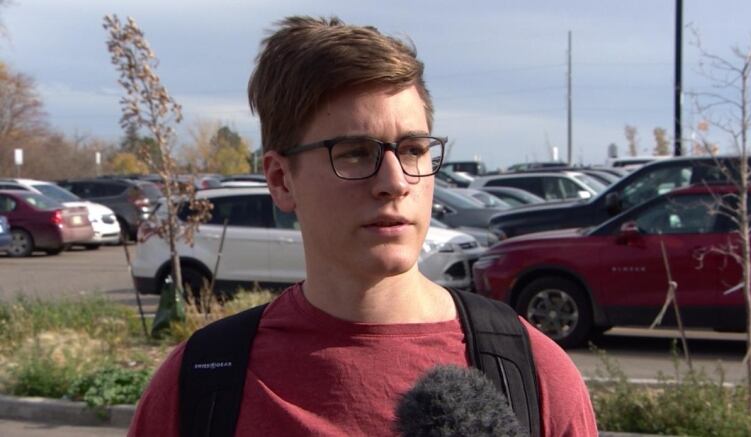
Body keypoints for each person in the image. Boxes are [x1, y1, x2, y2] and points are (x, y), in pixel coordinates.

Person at [128, 16, 598, 436]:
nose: (395, 182)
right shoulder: (204, 382)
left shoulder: (528, 372)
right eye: (355, 152)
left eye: (413, 150)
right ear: (280, 180)